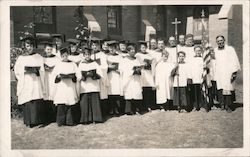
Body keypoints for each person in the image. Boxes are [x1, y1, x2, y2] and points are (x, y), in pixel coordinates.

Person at [14, 36, 46, 127]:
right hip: (26, 81)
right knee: (28, 99)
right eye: (28, 46)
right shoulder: (21, 58)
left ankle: (37, 121)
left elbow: (42, 70)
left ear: (33, 46)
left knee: (36, 100)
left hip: (36, 81)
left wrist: (38, 71)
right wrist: (24, 71)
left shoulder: (38, 57)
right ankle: (29, 121)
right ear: (25, 46)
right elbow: (17, 70)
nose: (30, 48)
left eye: (31, 46)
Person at [52, 47, 79, 126]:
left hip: (70, 86)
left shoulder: (73, 64)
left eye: (66, 55)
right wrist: (58, 77)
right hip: (61, 86)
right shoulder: (58, 64)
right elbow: (54, 75)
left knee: (70, 102)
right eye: (63, 56)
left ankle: (69, 121)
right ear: (61, 56)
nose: (65, 57)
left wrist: (74, 77)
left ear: (68, 55)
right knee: (61, 102)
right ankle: (61, 121)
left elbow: (78, 74)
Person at [214, 35, 241, 112]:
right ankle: (222, 104)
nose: (220, 42)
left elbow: (235, 60)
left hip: (228, 72)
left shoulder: (230, 49)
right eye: (218, 41)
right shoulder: (215, 50)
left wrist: (234, 72)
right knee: (220, 88)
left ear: (224, 40)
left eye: (221, 40)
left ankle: (228, 105)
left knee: (228, 88)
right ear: (216, 42)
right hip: (219, 73)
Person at [77, 47, 103, 124]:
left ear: (90, 55)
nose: (87, 56)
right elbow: (78, 74)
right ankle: (85, 119)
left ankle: (96, 118)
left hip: (93, 85)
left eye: (88, 54)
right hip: (85, 86)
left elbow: (100, 74)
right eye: (86, 55)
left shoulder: (94, 63)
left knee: (95, 102)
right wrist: (82, 76)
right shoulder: (81, 64)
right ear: (83, 55)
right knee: (85, 103)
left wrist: (94, 75)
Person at [120, 43, 143, 115]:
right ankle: (129, 110)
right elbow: (123, 70)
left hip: (136, 79)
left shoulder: (137, 59)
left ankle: (136, 109)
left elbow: (139, 67)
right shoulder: (124, 60)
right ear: (128, 51)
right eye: (131, 50)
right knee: (129, 94)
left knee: (136, 93)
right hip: (128, 80)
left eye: (134, 50)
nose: (133, 51)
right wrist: (132, 71)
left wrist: (139, 70)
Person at [90, 38, 109, 119]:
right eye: (93, 45)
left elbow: (105, 66)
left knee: (102, 95)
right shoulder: (90, 55)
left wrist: (98, 68)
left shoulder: (102, 55)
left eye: (96, 45)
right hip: (93, 78)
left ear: (98, 46)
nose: (94, 47)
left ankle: (103, 113)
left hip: (100, 77)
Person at [136, 41, 156, 111]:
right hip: (142, 73)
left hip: (148, 73)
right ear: (140, 48)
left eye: (145, 47)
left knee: (148, 90)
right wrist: (142, 64)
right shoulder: (137, 55)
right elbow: (136, 64)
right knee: (142, 90)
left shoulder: (149, 55)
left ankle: (148, 105)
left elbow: (153, 62)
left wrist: (150, 63)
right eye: (142, 47)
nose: (144, 49)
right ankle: (142, 106)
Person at [43, 42, 60, 123]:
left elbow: (59, 68)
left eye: (50, 49)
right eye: (47, 49)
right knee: (47, 95)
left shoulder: (56, 58)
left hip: (53, 79)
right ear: (45, 50)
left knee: (54, 94)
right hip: (46, 78)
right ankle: (48, 117)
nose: (49, 51)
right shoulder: (42, 59)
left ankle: (55, 116)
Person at [106, 40, 123, 115]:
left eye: (113, 48)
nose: (111, 49)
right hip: (109, 75)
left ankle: (117, 109)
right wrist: (108, 67)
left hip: (116, 75)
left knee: (116, 92)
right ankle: (111, 108)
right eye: (110, 48)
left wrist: (119, 70)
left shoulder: (119, 56)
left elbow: (123, 66)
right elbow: (103, 66)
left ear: (116, 48)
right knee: (110, 92)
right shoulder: (106, 56)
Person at [189, 45, 204, 111]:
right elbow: (190, 69)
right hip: (194, 78)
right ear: (194, 51)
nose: (198, 52)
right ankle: (195, 105)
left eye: (199, 50)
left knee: (201, 92)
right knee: (194, 92)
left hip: (201, 78)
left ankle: (202, 105)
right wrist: (190, 77)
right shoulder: (191, 59)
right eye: (196, 50)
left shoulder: (203, 59)